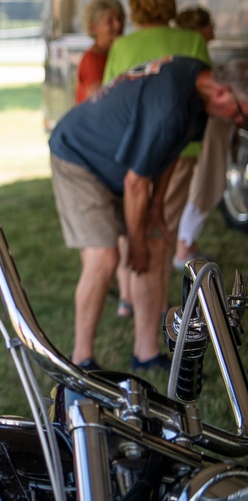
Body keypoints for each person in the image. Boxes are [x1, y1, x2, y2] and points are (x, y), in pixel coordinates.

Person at [49, 56, 248, 374]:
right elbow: (136, 182)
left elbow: (173, 151)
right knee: (105, 258)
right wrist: (136, 239)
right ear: (222, 92)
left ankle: (145, 353)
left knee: (156, 248)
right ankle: (80, 361)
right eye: (239, 114)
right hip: (79, 155)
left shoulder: (198, 89)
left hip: (121, 166)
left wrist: (156, 208)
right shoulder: (170, 106)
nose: (237, 121)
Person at [102, 0, 210, 321]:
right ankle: (159, 304)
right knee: (164, 225)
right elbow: (205, 97)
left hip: (130, 148)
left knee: (129, 220)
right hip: (179, 146)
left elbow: (109, 95)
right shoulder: (192, 41)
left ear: (136, 10)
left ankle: (130, 299)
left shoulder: (122, 45)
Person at [173, 6, 227, 268]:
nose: (214, 29)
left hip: (187, 137)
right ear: (199, 29)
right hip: (198, 138)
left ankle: (184, 245)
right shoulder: (195, 48)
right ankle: (183, 248)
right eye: (210, 24)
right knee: (201, 185)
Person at [75, 0, 125, 103]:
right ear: (93, 27)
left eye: (120, 18)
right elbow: (98, 101)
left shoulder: (113, 54)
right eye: (110, 21)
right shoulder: (92, 60)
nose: (118, 25)